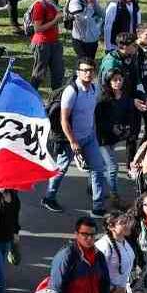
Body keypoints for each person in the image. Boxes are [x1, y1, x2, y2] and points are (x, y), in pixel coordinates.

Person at [43, 59, 109, 214]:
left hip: (89, 136)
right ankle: (49, 197)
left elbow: (91, 113)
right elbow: (64, 119)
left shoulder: (94, 88)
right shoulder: (72, 91)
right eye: (84, 70)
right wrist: (72, 141)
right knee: (61, 169)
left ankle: (98, 206)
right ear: (78, 72)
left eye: (91, 70)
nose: (88, 73)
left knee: (98, 169)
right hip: (70, 139)